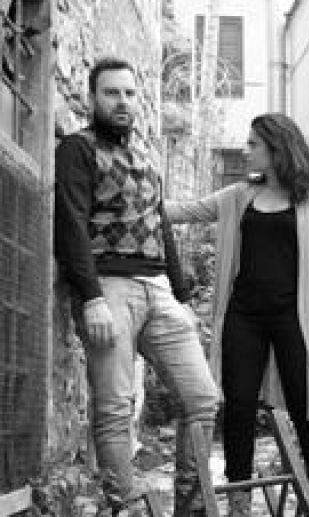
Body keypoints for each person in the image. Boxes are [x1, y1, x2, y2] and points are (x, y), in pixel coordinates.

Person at [53, 57, 219, 515]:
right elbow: (70, 224)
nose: (122, 101)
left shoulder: (146, 152)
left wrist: (182, 295)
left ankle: (191, 507)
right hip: (109, 287)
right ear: (92, 98)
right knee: (114, 409)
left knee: (202, 399)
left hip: (158, 288)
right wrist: (91, 298)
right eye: (112, 93)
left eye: (128, 93)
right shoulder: (78, 149)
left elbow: (159, 221)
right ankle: (125, 507)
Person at [164, 113, 309, 515]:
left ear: (277, 149)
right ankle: (239, 499)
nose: (246, 151)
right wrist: (135, 197)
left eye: (253, 144)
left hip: (295, 318)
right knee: (239, 408)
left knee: (307, 407)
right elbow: (182, 211)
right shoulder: (239, 196)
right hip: (243, 318)